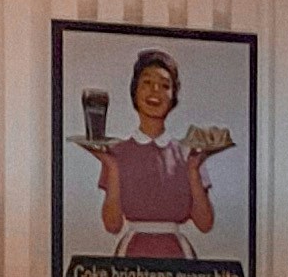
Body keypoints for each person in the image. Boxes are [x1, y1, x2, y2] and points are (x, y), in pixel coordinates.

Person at [84, 49, 231, 265]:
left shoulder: (190, 152)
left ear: (174, 97)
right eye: (147, 83)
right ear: (134, 91)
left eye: (165, 85)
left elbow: (205, 223)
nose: (155, 91)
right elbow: (112, 225)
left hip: (179, 260)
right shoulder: (117, 152)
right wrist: (112, 167)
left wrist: (192, 170)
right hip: (131, 259)